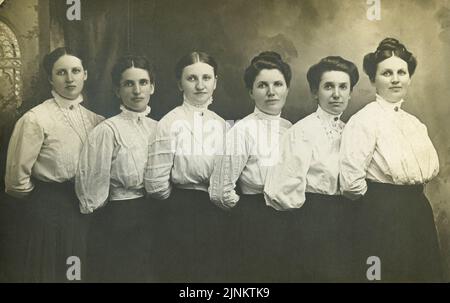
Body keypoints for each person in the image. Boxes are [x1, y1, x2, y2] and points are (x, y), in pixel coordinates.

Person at [339, 38, 442, 282]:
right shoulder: (364, 120)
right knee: (385, 275)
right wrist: (380, 207)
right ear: (373, 79)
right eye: (386, 73)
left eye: (401, 72)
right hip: (381, 218)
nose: (395, 79)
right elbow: (351, 183)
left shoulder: (415, 124)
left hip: (417, 213)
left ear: (409, 77)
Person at [4, 47, 104, 282]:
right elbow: (15, 182)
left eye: (75, 71)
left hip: (84, 209)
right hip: (48, 211)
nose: (70, 79)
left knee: (78, 272)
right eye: (61, 72)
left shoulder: (96, 120)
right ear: (50, 77)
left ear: (85, 74)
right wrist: (48, 200)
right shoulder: (35, 119)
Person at [264, 56, 359, 282]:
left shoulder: (351, 131)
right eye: (328, 87)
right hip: (312, 223)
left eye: (343, 87)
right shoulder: (302, 131)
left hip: (347, 220)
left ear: (350, 92)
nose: (336, 94)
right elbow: (280, 189)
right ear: (315, 92)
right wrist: (310, 218)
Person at [144, 51, 228, 282]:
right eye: (191, 79)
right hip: (180, 214)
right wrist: (180, 204)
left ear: (215, 82)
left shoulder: (222, 125)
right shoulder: (169, 123)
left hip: (216, 212)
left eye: (206, 78)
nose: (200, 86)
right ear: (179, 83)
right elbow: (155, 184)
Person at [209, 51, 292, 282]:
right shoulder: (242, 131)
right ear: (251, 91)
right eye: (262, 85)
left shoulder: (290, 128)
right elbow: (219, 192)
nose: (271, 91)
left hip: (290, 221)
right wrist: (249, 212)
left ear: (287, 89)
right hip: (254, 222)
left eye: (278, 84)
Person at [75, 55, 157, 282]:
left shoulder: (159, 128)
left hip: (155, 216)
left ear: (152, 87)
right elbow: (91, 186)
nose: (137, 90)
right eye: (128, 84)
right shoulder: (107, 130)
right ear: (116, 90)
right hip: (118, 220)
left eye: (142, 82)